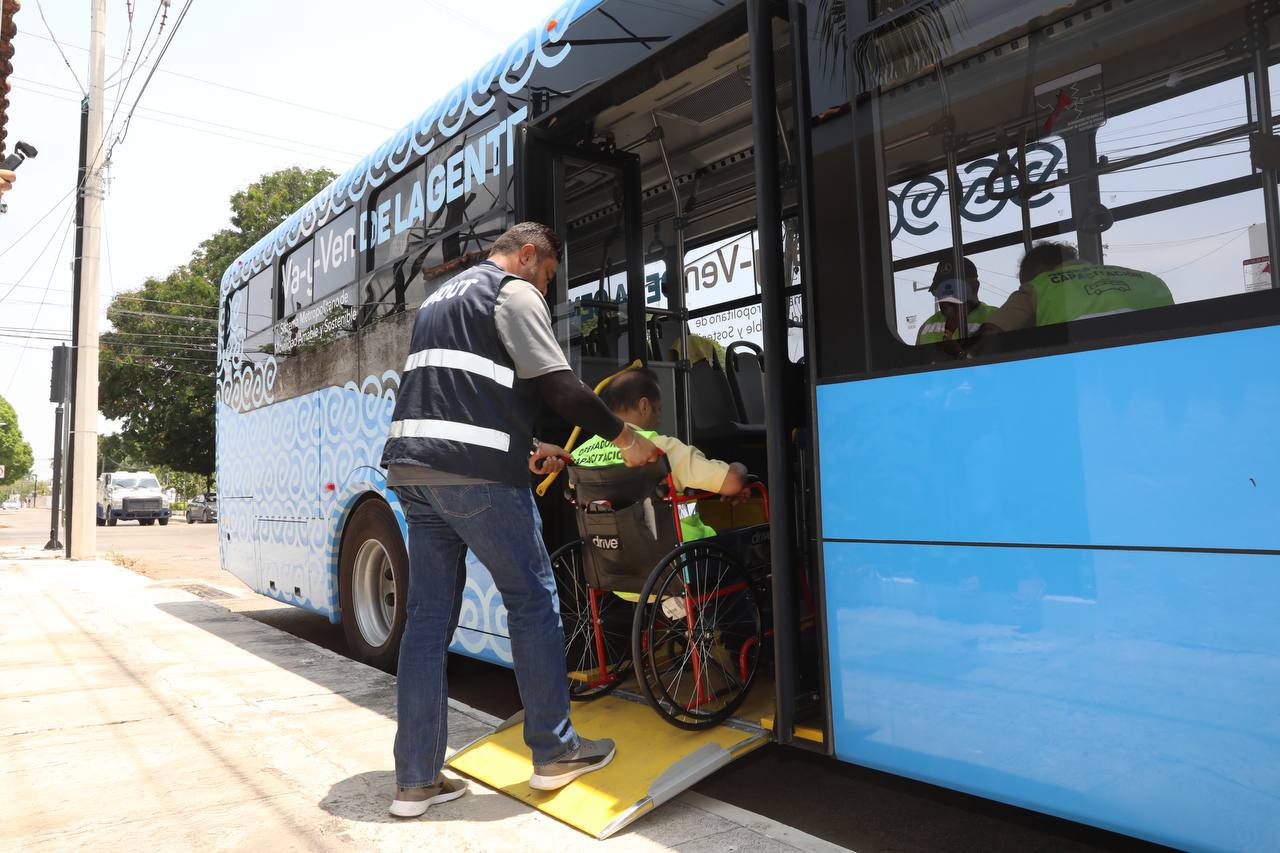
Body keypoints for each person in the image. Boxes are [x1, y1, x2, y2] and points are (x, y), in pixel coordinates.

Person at [380, 221, 659, 818]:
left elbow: (458, 392)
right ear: (529, 255)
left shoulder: (438, 299)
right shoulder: (511, 290)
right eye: (549, 276)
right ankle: (557, 753)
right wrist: (625, 437)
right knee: (532, 600)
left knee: (427, 624)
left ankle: (416, 779)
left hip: (412, 470)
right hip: (475, 478)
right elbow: (560, 388)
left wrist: (526, 443)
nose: (548, 290)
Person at [571, 367, 752, 544]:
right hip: (683, 559)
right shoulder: (659, 449)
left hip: (611, 564)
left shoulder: (579, 455)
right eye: (658, 409)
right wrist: (740, 470)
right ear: (644, 406)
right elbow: (732, 482)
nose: (659, 418)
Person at [981, 241, 1174, 333]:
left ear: (1039, 271)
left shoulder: (1040, 287)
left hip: (1080, 377)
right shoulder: (1148, 280)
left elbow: (989, 336)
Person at [915, 257, 996, 345]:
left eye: (953, 290)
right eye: (939, 291)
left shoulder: (996, 318)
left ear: (974, 287)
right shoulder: (926, 327)